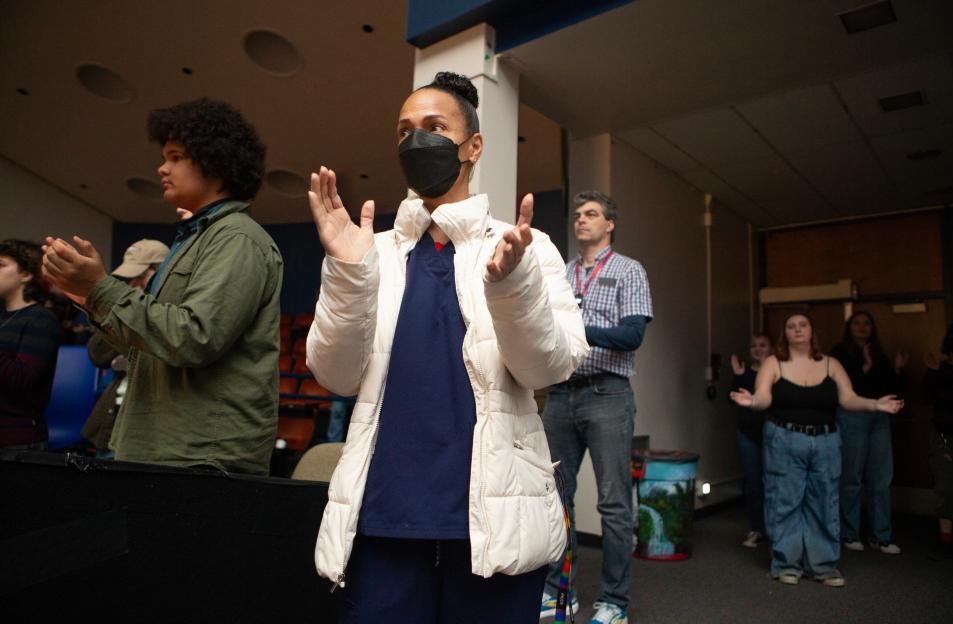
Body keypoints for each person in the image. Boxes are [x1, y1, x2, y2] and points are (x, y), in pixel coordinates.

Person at [306, 71, 588, 624]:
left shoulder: (526, 248)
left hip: (494, 524)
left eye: (435, 127)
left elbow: (547, 367)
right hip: (384, 517)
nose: (417, 141)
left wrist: (512, 286)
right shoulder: (370, 251)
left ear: (473, 146)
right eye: (404, 131)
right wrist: (347, 273)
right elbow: (335, 375)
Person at [40, 98, 284, 475]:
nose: (162, 167)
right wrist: (90, 296)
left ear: (216, 162)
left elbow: (195, 337)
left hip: (199, 457)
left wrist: (103, 289)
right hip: (160, 448)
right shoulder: (191, 240)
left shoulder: (238, 238)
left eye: (175, 156)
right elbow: (146, 347)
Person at [541, 190, 653, 624]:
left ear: (609, 225)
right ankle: (559, 592)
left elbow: (632, 335)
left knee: (613, 504)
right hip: (562, 394)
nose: (581, 220)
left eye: (591, 214)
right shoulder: (562, 274)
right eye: (577, 214)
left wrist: (579, 329)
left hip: (609, 394)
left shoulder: (629, 270)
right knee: (555, 500)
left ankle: (614, 603)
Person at [731, 313, 903, 587]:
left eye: (803, 325)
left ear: (812, 331)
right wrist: (752, 401)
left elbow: (848, 398)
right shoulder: (774, 364)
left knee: (824, 502)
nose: (797, 330)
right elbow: (764, 397)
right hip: (785, 439)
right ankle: (786, 564)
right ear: (785, 334)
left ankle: (823, 566)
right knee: (785, 501)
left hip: (825, 441)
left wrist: (875, 405)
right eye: (791, 326)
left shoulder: (831, 364)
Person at [82, 239, 169, 459]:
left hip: (151, 425)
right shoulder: (129, 301)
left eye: (141, 277)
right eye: (131, 278)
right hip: (113, 417)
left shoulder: (171, 313)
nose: (133, 284)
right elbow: (98, 355)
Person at [830, 311, 907, 554]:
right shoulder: (839, 353)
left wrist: (896, 369)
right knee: (851, 477)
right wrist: (866, 366)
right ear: (849, 327)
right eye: (857, 323)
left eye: (867, 323)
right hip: (852, 417)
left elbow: (890, 390)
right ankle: (849, 532)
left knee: (881, 478)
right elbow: (845, 391)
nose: (862, 327)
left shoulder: (879, 353)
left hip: (879, 418)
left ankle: (881, 536)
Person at [0, 239, 60, 449]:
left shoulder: (41, 319)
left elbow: (23, 381)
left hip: (16, 441)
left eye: (1, 265)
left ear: (25, 275)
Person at [730, 334, 774, 548]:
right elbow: (734, 401)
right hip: (748, 433)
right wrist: (739, 376)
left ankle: (775, 530)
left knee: (774, 482)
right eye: (753, 346)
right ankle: (757, 528)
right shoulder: (744, 372)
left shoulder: (778, 371)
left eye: (763, 345)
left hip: (774, 434)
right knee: (753, 483)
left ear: (772, 348)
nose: (758, 349)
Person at [923, 324, 953, 561]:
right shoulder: (939, 369)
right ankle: (945, 538)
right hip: (945, 436)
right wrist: (935, 373)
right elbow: (927, 397)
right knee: (945, 487)